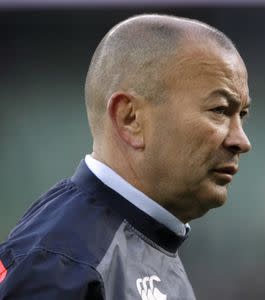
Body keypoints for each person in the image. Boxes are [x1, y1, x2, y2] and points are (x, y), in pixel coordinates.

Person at [0, 14, 251, 299]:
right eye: (220, 110)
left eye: (241, 115)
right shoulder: (63, 263)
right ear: (130, 118)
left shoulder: (150, 241)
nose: (241, 141)